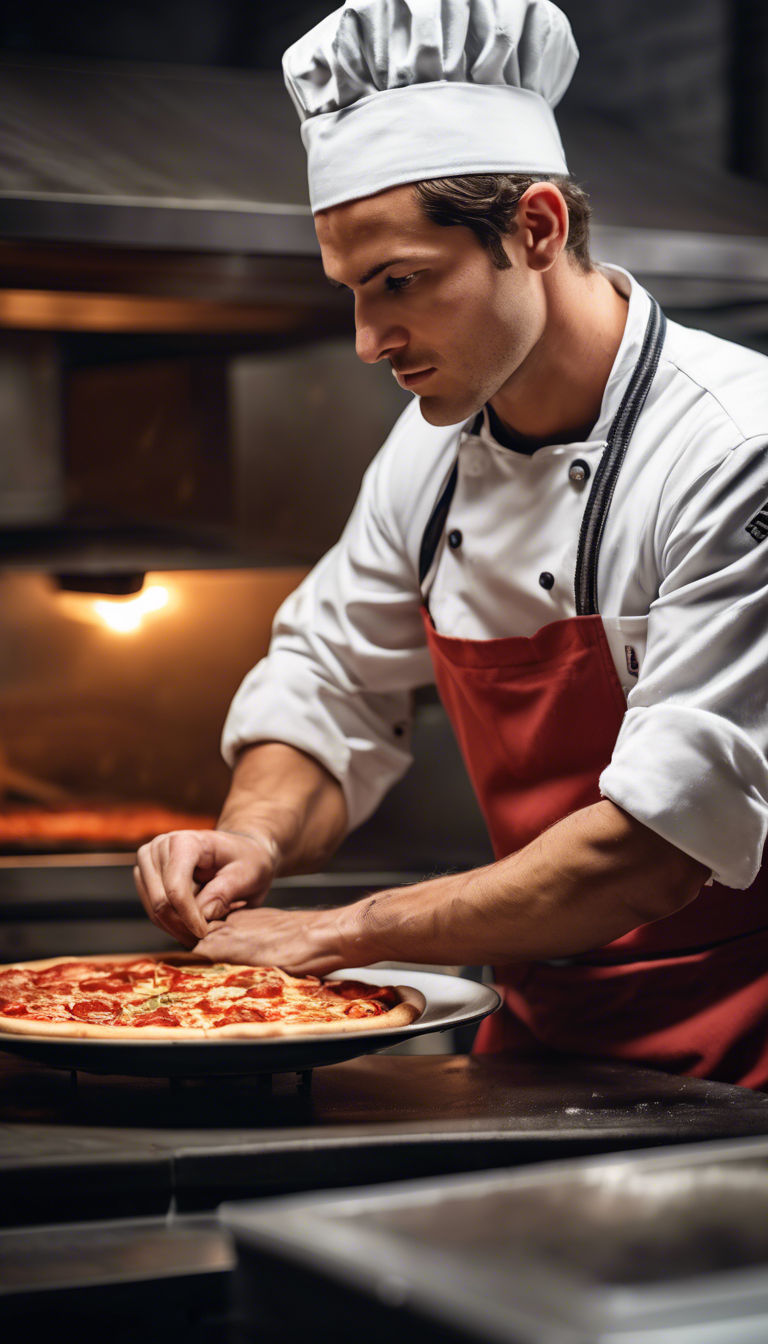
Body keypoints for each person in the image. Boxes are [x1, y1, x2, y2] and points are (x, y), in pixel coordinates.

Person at [135, 0, 768, 1086]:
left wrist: (336, 932)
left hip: (747, 1050)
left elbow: (655, 849)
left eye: (401, 283)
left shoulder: (733, 448)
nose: (367, 341)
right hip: (548, 1038)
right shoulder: (429, 454)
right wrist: (258, 835)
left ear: (536, 228)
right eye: (350, 292)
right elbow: (331, 680)